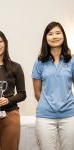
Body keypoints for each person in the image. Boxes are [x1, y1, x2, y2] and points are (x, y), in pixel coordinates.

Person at [32, 21, 74, 150]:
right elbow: (37, 93)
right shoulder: (39, 62)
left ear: (63, 36)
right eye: (50, 34)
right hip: (45, 117)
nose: (54, 37)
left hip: (69, 116)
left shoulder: (72, 61)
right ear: (46, 38)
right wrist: (50, 105)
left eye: (58, 33)